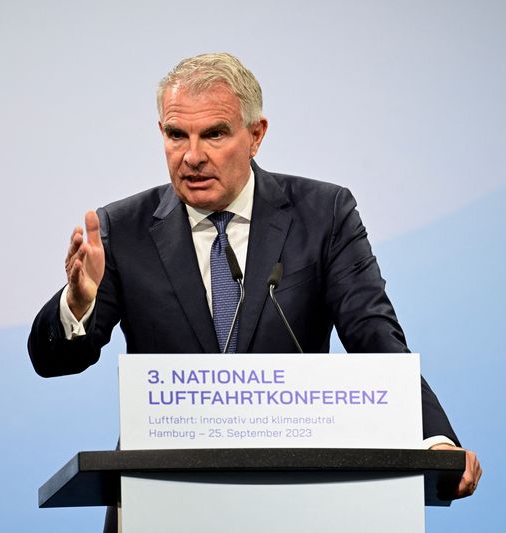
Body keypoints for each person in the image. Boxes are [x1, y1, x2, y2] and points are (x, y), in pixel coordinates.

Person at [28, 52, 481, 529]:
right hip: (161, 500)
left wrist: (433, 438)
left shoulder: (322, 213)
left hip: (295, 499)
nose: (192, 156)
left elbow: (373, 333)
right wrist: (76, 305)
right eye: (175, 134)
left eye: (215, 134)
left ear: (256, 135)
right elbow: (54, 362)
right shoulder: (124, 228)